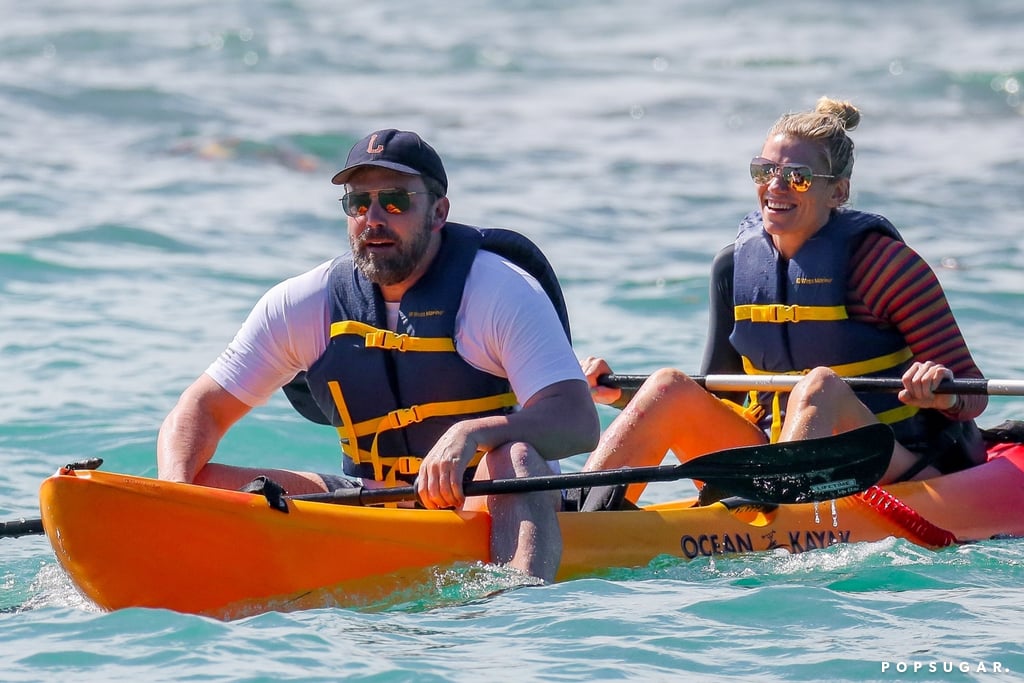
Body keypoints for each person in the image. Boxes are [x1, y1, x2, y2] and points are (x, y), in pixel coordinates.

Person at [157, 128, 600, 581]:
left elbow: (577, 422)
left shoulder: (500, 292)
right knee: (199, 480)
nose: (372, 218)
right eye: (357, 203)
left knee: (518, 456)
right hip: (365, 501)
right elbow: (200, 409)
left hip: (485, 498)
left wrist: (472, 433)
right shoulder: (301, 303)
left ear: (438, 211)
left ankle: (515, 611)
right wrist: (173, 499)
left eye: (394, 201)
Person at [579, 97, 987, 505]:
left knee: (820, 387)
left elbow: (974, 394)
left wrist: (942, 392)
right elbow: (721, 397)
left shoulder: (883, 268)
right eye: (765, 171)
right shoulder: (732, 268)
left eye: (799, 177)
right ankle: (580, 514)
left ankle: (774, 513)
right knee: (669, 385)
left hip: (889, 466)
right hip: (769, 459)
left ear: (838, 192)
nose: (775, 186)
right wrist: (617, 394)